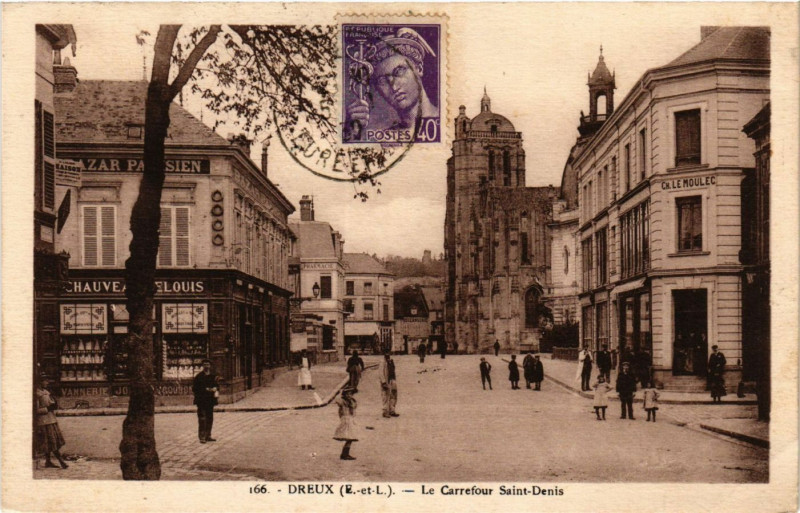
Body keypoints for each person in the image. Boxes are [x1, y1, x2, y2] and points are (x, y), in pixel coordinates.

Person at [347, 27, 438, 137]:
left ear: (419, 68)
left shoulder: (445, 120)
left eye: (399, 71)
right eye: (382, 81)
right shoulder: (385, 138)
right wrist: (352, 133)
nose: (394, 87)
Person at [35, 374, 68, 469]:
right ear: (40, 382)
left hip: (51, 420)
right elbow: (35, 410)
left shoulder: (46, 392)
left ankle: (48, 461)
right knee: (51, 442)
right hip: (43, 422)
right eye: (45, 381)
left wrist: (54, 404)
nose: (47, 382)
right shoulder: (36, 394)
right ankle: (61, 461)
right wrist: (48, 408)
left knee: (50, 442)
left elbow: (50, 403)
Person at [193, 359, 220, 443]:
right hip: (201, 400)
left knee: (209, 418)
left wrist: (216, 389)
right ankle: (202, 437)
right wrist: (205, 389)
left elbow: (217, 386)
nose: (206, 366)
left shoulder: (213, 376)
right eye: (205, 364)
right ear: (202, 366)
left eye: (208, 364)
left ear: (210, 366)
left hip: (210, 400)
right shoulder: (199, 377)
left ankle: (208, 435)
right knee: (202, 418)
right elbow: (194, 388)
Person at [333, 386, 359, 460]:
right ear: (344, 395)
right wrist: (340, 393)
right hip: (346, 420)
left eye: (350, 394)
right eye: (347, 394)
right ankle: (345, 454)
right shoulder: (343, 401)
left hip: (350, 419)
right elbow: (337, 400)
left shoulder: (352, 401)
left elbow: (354, 407)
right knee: (350, 437)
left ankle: (345, 453)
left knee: (350, 438)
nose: (349, 395)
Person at [379, 351, 399, 418]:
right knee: (385, 396)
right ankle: (385, 412)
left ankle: (392, 410)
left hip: (392, 380)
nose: (388, 355)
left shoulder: (391, 361)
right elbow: (381, 373)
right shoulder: (382, 362)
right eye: (386, 354)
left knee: (393, 395)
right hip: (386, 381)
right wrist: (383, 382)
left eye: (389, 354)